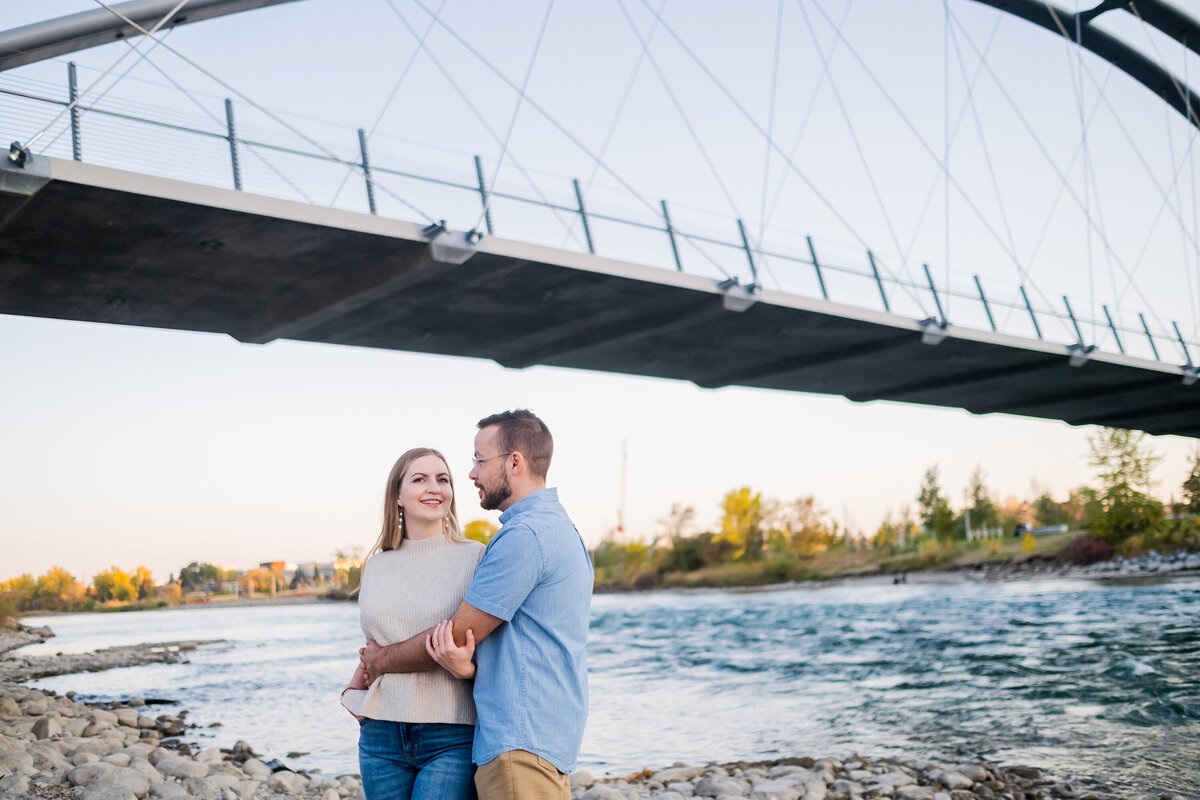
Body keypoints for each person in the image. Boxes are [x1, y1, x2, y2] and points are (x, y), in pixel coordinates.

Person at [361, 409, 593, 800]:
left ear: (514, 461)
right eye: (419, 479)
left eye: (478, 461)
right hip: (403, 732)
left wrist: (380, 662)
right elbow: (384, 635)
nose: (472, 474)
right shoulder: (543, 529)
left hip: (506, 737)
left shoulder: (516, 540)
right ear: (396, 494)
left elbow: (455, 636)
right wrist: (362, 684)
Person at [342, 447, 484, 800]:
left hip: (450, 734)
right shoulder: (375, 565)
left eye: (443, 479)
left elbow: (488, 645)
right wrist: (352, 693)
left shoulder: (476, 556)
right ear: (398, 496)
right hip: (380, 735)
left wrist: (469, 670)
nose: (434, 488)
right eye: (419, 479)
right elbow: (376, 640)